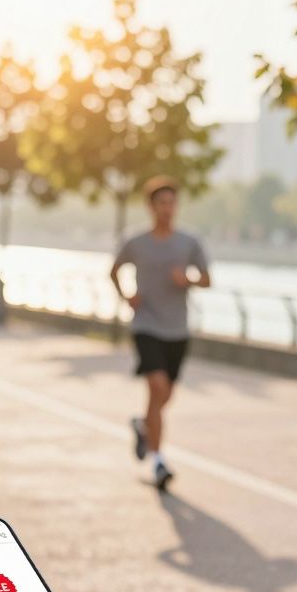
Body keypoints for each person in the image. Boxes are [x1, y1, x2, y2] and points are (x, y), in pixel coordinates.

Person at [108, 176, 211, 491]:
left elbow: (207, 279)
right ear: (150, 206)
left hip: (177, 328)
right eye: (161, 203)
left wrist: (188, 280)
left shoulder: (189, 242)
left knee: (165, 395)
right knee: (156, 385)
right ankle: (158, 461)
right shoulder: (135, 242)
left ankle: (143, 424)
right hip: (146, 324)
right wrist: (126, 295)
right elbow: (114, 270)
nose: (167, 208)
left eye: (171, 203)